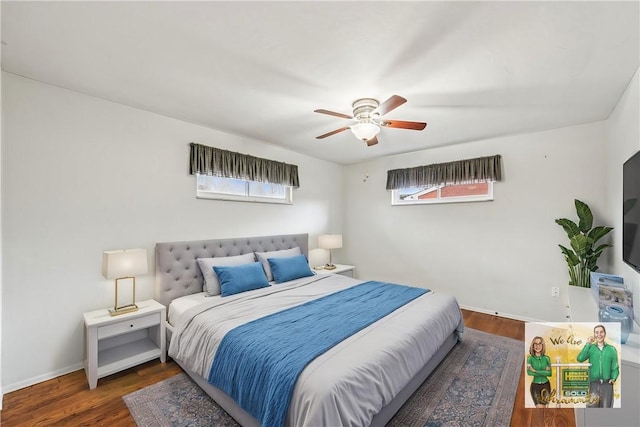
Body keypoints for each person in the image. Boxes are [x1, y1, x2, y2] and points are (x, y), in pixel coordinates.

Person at [577, 324, 619, 408]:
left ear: (605, 333)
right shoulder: (591, 348)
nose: (599, 334)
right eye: (597, 332)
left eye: (601, 332)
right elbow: (580, 358)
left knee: (606, 411)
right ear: (594, 335)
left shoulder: (612, 349)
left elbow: (615, 367)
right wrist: (588, 344)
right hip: (593, 385)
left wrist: (613, 378)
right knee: (591, 410)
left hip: (607, 385)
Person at [527, 336, 552, 407]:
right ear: (533, 346)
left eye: (539, 344)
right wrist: (544, 372)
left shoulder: (547, 358)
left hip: (546, 385)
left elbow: (549, 373)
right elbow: (529, 372)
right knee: (539, 409)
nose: (537, 346)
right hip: (535, 386)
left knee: (546, 409)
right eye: (535, 344)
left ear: (542, 345)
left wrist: (535, 371)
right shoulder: (530, 359)